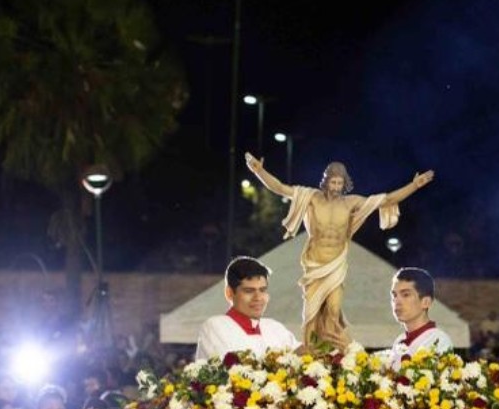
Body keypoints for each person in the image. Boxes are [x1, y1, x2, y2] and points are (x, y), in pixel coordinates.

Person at [244, 153, 435, 349]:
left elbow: (387, 200)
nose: (336, 187)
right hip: (315, 264)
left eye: (339, 183)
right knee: (311, 313)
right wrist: (259, 172)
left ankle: (333, 353)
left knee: (333, 311)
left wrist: (415, 185)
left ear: (345, 184)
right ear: (326, 182)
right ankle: (311, 352)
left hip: (336, 265)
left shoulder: (351, 203)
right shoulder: (311, 198)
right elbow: (280, 188)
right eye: (333, 182)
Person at [193, 257, 300, 363]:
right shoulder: (215, 326)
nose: (258, 298)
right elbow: (232, 369)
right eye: (249, 291)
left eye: (262, 290)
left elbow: (303, 356)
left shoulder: (275, 328)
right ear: (229, 293)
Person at [381, 268, 453, 367]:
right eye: (394, 295)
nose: (397, 301)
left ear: (426, 302)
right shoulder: (399, 341)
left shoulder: (439, 340)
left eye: (405, 295)